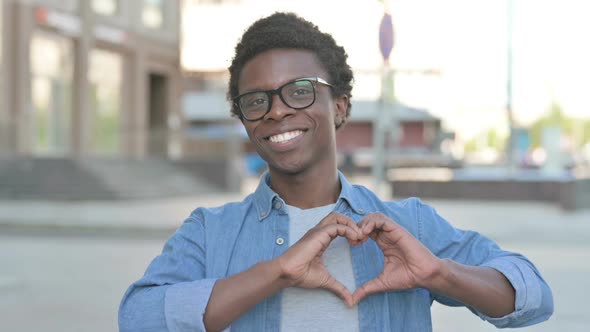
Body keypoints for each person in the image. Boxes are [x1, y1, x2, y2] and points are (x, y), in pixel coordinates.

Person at [119, 12, 553, 332]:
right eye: (256, 100)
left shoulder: (409, 224)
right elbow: (137, 318)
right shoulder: (208, 232)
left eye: (300, 91)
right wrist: (278, 272)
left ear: (340, 106)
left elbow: (534, 298)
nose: (277, 110)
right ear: (244, 117)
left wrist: (439, 273)